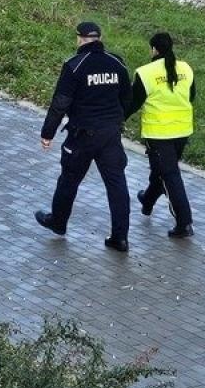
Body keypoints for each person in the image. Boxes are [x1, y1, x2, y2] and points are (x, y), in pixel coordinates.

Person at [36, 20, 133, 252]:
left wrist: (47, 133)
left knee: (69, 179)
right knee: (117, 184)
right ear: (99, 38)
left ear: (79, 38)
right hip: (110, 135)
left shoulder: (74, 65)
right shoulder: (116, 64)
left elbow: (60, 103)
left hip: (82, 135)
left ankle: (58, 222)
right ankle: (120, 237)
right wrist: (116, 120)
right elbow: (127, 99)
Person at [126, 32, 196, 238]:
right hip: (182, 130)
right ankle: (147, 199)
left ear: (154, 49)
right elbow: (191, 95)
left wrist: (115, 119)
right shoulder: (185, 68)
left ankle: (184, 223)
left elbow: (133, 103)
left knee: (170, 175)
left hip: (159, 133)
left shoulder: (145, 73)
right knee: (162, 172)